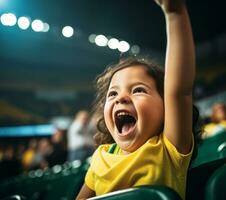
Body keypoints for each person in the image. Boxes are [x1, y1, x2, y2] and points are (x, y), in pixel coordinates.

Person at [76, 0, 197, 199]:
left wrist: (175, 13)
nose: (121, 97)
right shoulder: (100, 157)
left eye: (138, 90)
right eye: (112, 93)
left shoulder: (168, 148)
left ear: (166, 106)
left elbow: (179, 90)